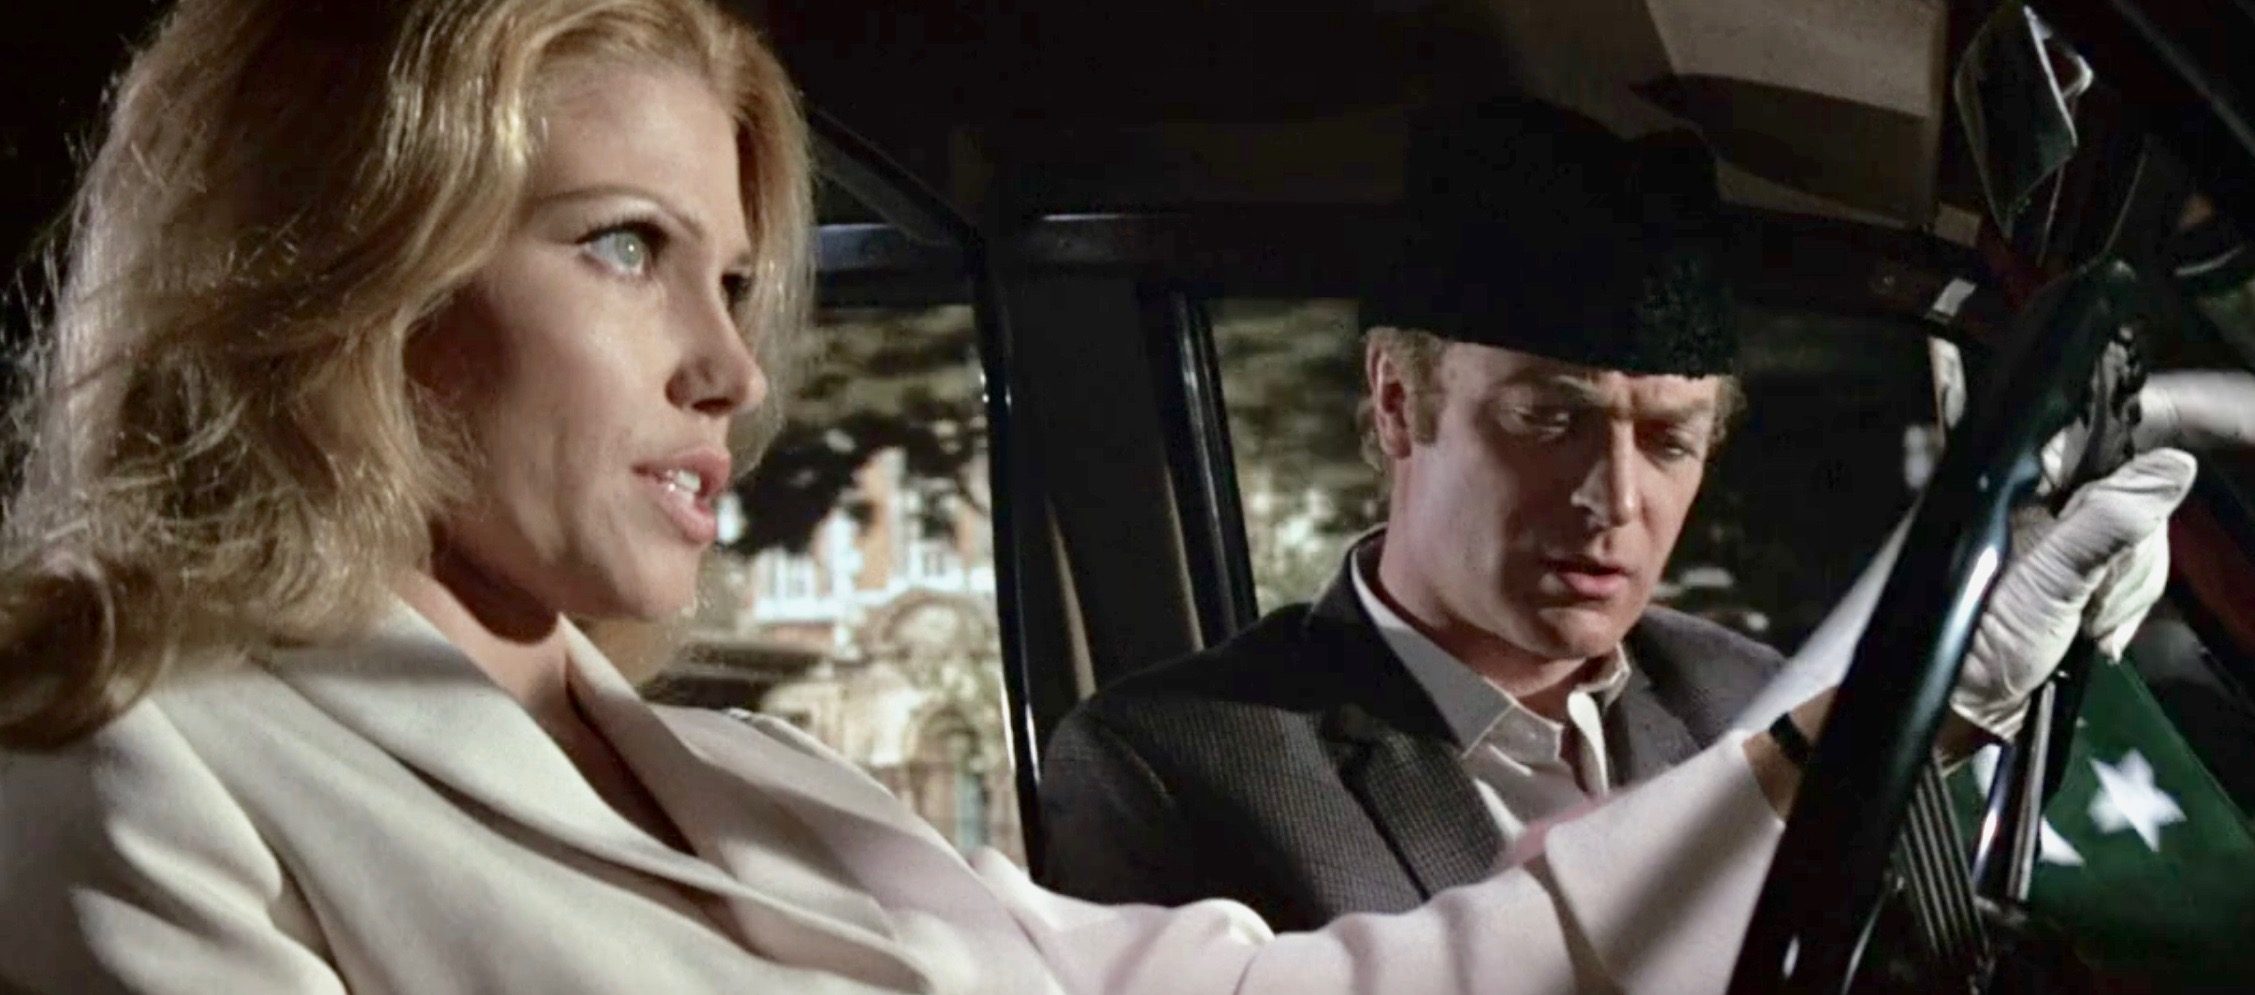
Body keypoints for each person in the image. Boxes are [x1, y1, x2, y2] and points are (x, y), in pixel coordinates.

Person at [0, 2, 2191, 993]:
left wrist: (1868, 709)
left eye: (735, 279)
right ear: (346, 265)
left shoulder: (765, 784)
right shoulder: (123, 749)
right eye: (622, 247)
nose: (730, 369)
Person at [1037, 98, 1793, 928]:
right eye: (1548, 420)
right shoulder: (1170, 767)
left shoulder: (1755, 701)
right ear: (1397, 399)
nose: (1613, 499)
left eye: (1668, 441)